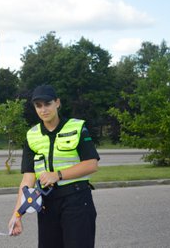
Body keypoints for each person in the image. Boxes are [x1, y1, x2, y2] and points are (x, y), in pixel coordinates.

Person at [9, 85, 100, 248]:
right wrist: (17, 214)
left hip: (77, 201)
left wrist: (57, 174)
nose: (43, 109)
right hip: (47, 204)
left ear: (57, 103)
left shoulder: (77, 128)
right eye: (38, 106)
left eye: (47, 104)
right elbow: (28, 179)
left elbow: (92, 164)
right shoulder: (32, 135)